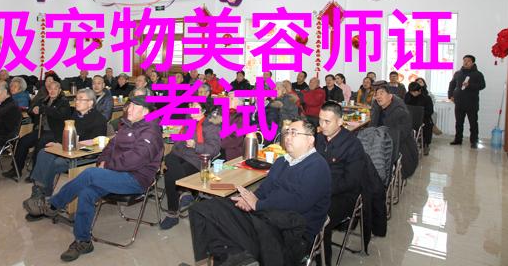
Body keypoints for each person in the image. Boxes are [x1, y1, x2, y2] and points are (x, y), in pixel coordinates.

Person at [23, 94, 164, 262]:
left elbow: (135, 160)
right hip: (116, 174)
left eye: (134, 106)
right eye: (129, 105)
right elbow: (110, 146)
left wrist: (108, 165)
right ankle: (83, 241)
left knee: (90, 174)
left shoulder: (151, 131)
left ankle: (52, 204)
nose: (129, 109)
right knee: (87, 192)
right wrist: (102, 160)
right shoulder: (127, 125)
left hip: (136, 179)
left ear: (146, 112)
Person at [188, 119, 331, 266]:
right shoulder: (282, 161)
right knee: (203, 209)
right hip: (266, 216)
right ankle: (219, 261)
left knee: (228, 226)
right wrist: (249, 199)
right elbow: (264, 189)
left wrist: (258, 205)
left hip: (291, 233)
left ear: (310, 140)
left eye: (294, 133)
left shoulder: (317, 166)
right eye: (287, 132)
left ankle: (239, 259)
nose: (288, 137)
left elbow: (299, 203)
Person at [22, 88, 107, 217]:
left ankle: (42, 198)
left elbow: (95, 146)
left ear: (90, 103)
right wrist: (58, 144)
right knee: (44, 152)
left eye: (81, 99)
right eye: (76, 98)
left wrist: (69, 146)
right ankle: (40, 195)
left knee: (55, 162)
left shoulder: (98, 119)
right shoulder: (75, 116)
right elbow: (66, 134)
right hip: (69, 150)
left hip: (84, 157)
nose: (76, 102)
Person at [315, 102, 365, 266]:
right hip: (319, 189)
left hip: (343, 195)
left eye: (327, 121)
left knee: (319, 217)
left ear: (340, 122)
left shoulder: (352, 144)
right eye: (320, 120)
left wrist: (322, 190)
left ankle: (323, 261)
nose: (322, 125)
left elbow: (351, 181)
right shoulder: (319, 138)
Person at [160, 102, 221, 230]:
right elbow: (177, 139)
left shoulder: (211, 126)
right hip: (178, 154)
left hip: (196, 160)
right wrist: (175, 134)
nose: (191, 109)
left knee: (170, 174)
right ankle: (185, 191)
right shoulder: (188, 121)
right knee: (170, 160)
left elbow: (214, 150)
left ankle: (173, 214)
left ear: (203, 110)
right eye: (191, 106)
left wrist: (195, 145)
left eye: (195, 107)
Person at [8, 80, 71, 179]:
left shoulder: (63, 101)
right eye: (50, 88)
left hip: (55, 132)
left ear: (59, 91)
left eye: (55, 89)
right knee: (23, 141)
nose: (52, 91)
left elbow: (60, 114)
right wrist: (33, 110)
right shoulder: (43, 100)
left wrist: (43, 109)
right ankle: (15, 170)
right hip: (40, 130)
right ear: (47, 90)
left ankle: (35, 174)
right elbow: (29, 109)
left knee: (39, 144)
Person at [370, 85, 418, 179]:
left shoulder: (400, 112)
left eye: (381, 93)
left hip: (400, 147)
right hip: (380, 143)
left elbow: (399, 135)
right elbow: (373, 127)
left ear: (390, 96)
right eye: (376, 94)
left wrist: (379, 138)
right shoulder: (378, 110)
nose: (378, 96)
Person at [448, 55, 486, 148]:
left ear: (472, 63)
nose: (465, 62)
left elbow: (482, 86)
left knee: (473, 124)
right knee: (459, 123)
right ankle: (458, 140)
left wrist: (470, 85)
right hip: (459, 102)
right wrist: (450, 95)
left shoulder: (478, 74)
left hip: (472, 103)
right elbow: (452, 84)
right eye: (464, 60)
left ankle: (474, 141)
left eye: (468, 61)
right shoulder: (458, 73)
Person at [405, 82, 434, 155]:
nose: (413, 94)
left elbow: (430, 111)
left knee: (427, 125)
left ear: (419, 90)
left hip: (423, 117)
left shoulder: (426, 98)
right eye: (411, 92)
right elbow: (404, 107)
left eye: (415, 92)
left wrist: (420, 114)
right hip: (409, 118)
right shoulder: (407, 96)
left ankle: (426, 145)